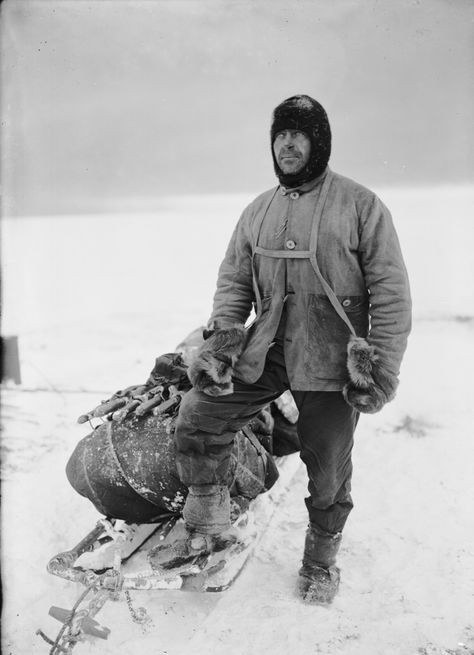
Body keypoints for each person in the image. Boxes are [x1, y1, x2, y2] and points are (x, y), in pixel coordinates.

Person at [153, 94, 412, 604]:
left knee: (329, 466)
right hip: (268, 346)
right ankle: (207, 521)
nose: (288, 143)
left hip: (331, 357)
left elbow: (391, 291)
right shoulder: (258, 210)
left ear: (320, 143)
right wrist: (223, 345)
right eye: (281, 134)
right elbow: (233, 284)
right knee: (199, 413)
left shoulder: (361, 205)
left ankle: (320, 562)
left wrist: (378, 365)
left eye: (300, 133)